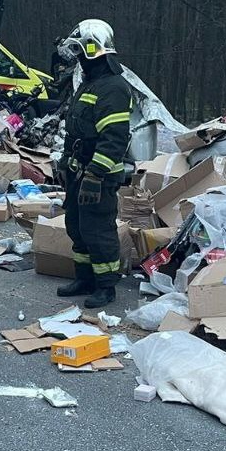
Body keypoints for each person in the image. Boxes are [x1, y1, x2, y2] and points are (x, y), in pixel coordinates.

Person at [54, 19, 134, 309]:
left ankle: (106, 286)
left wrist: (95, 174)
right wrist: (65, 161)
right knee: (76, 225)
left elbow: (114, 139)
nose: (77, 58)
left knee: (97, 230)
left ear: (93, 48)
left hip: (99, 175)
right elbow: (74, 128)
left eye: (80, 51)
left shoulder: (113, 88)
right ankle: (84, 278)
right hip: (79, 170)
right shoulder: (90, 83)